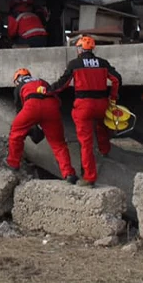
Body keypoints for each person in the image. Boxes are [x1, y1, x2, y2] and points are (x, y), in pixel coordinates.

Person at [49, 36, 122, 187]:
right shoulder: (102, 63)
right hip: (102, 104)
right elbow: (117, 79)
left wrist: (48, 90)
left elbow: (62, 84)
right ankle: (104, 150)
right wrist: (113, 97)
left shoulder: (75, 64)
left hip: (84, 106)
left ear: (80, 49)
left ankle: (89, 177)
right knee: (102, 127)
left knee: (86, 143)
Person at [6, 69, 77, 183]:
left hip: (31, 105)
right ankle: (69, 173)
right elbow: (56, 98)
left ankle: (13, 164)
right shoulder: (42, 81)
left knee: (16, 133)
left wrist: (31, 128)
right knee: (58, 144)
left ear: (17, 79)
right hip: (52, 107)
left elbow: (20, 112)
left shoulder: (19, 87)